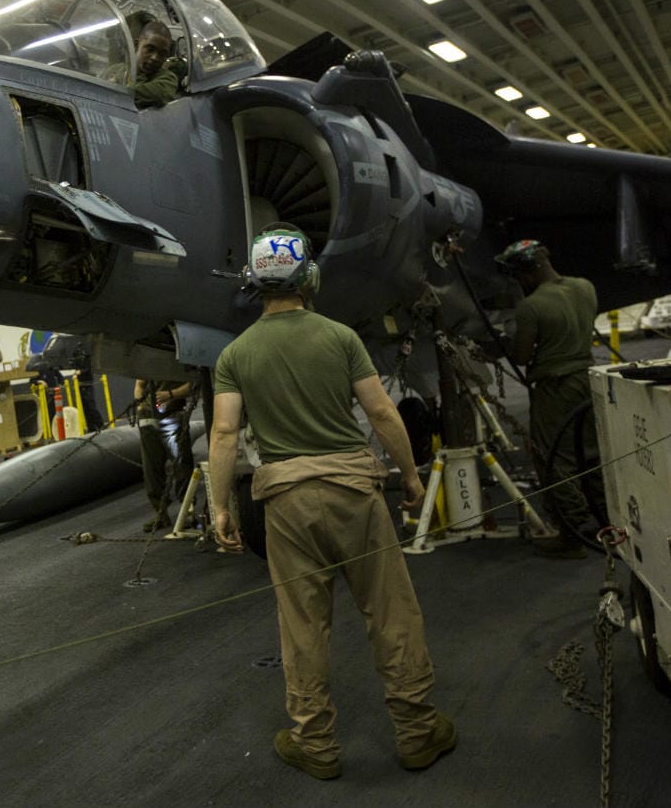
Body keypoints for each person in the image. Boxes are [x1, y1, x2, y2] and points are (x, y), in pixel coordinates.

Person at [209, 224, 455, 780]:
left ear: (256, 283)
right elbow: (382, 412)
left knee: (302, 627)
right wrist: (410, 477)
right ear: (310, 279)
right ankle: (417, 732)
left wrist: (221, 506)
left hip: (286, 503)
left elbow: (224, 434)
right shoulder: (341, 338)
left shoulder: (235, 354)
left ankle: (315, 744)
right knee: (390, 612)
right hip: (354, 493)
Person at [497, 239, 605, 559]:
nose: (519, 282)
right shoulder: (585, 287)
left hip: (555, 389)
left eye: (519, 275)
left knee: (555, 458)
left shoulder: (531, 306)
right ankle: (606, 523)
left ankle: (570, 536)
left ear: (528, 272)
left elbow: (521, 356)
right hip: (586, 380)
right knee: (591, 454)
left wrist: (506, 339)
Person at [133, 377, 195, 531]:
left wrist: (171, 394)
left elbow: (195, 383)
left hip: (173, 415)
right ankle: (160, 513)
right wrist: (140, 406)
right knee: (151, 470)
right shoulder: (146, 363)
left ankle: (188, 511)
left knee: (182, 466)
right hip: (148, 418)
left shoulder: (178, 363)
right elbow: (140, 384)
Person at [106, 19, 180, 109]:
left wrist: (114, 86)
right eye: (150, 50)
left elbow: (157, 95)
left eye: (162, 54)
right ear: (136, 45)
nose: (155, 58)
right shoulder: (114, 69)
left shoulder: (167, 79)